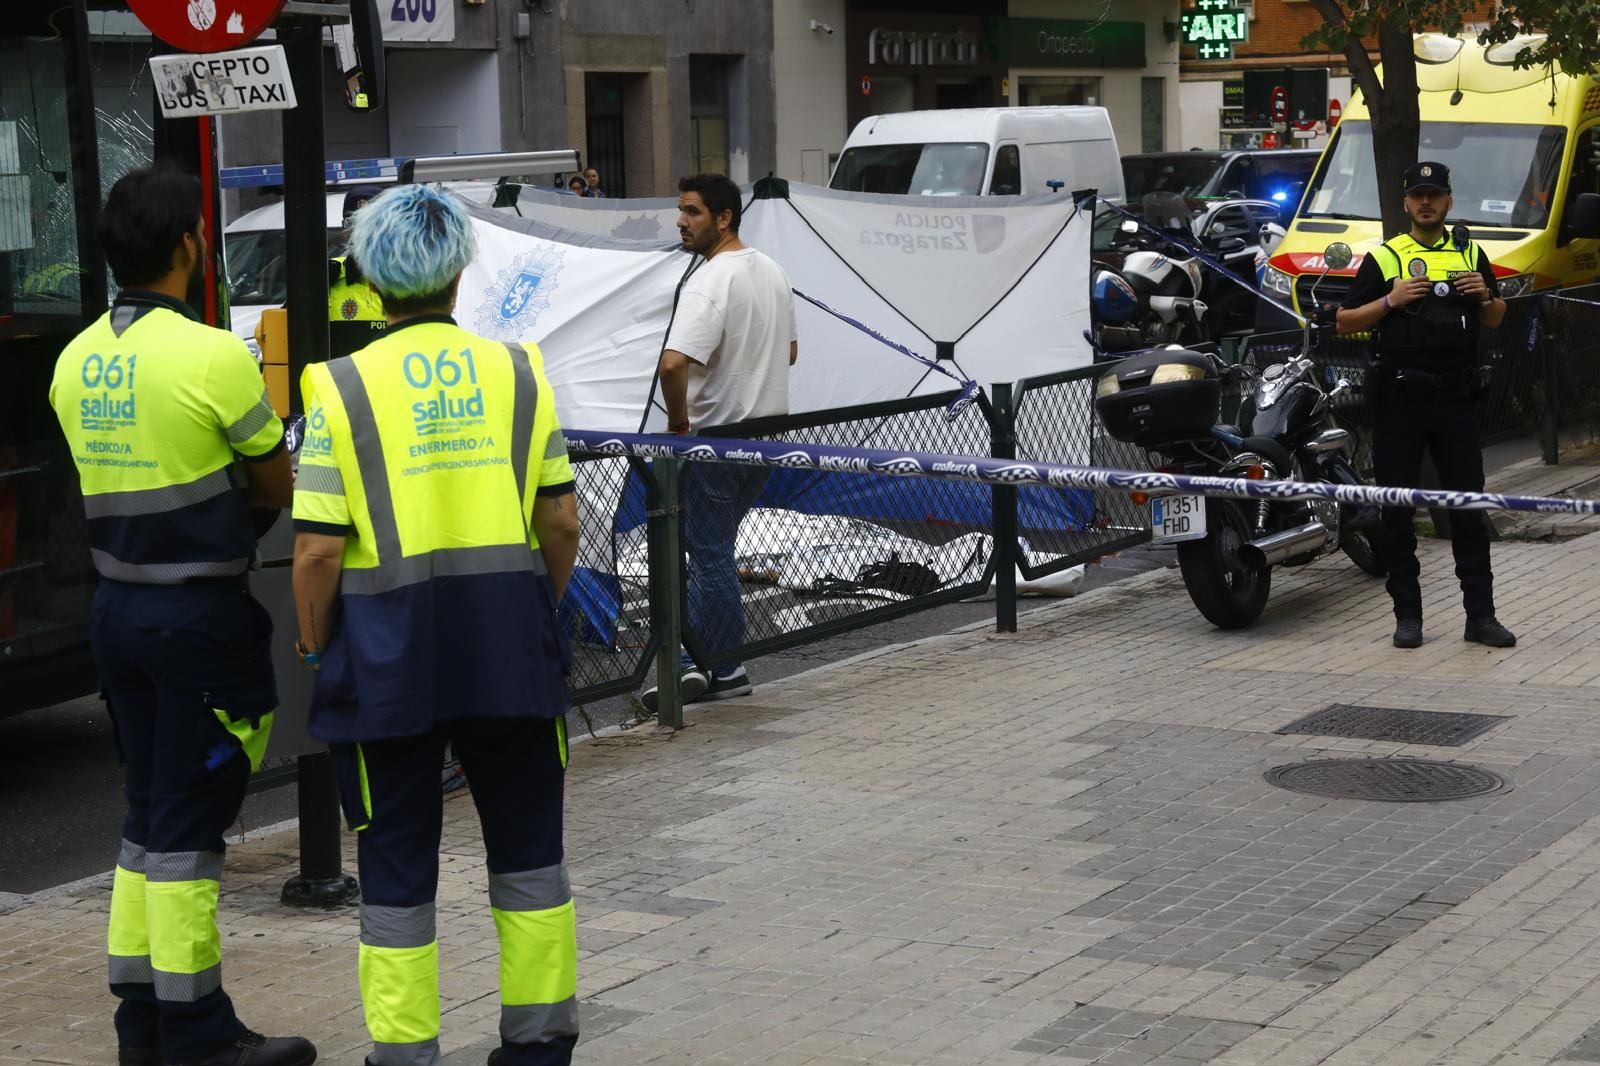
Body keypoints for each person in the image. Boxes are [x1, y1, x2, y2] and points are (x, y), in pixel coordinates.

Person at [290, 184, 582, 1066]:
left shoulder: (337, 387)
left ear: (369, 282)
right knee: (531, 863)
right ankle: (537, 1046)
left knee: (395, 871)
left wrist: (317, 645)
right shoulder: (520, 370)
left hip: (384, 664)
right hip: (511, 655)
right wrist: (539, 611)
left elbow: (315, 554)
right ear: (459, 275)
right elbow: (561, 522)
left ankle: (406, 1051)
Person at [47, 165, 309, 1066]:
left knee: (147, 815)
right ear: (190, 247)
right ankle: (199, 1034)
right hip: (197, 618)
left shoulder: (74, 360)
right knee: (191, 830)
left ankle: (142, 1022)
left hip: (116, 614)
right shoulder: (212, 355)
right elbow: (276, 478)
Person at [1336, 161, 1515, 650]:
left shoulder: (1470, 251)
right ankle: (1407, 618)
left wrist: (1484, 296)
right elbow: (1345, 322)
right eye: (1418, 195)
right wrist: (1390, 301)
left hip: (1456, 400)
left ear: (1449, 202)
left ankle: (1481, 617)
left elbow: (1497, 318)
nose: (1427, 203)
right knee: (1397, 512)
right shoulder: (1388, 257)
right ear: (1406, 204)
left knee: (1468, 510)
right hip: (1400, 402)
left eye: (1435, 195)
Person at [640, 174, 797, 713]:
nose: (680, 222)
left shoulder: (710, 280)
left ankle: (720, 666)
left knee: (705, 555)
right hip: (767, 438)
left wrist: (679, 423)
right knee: (712, 551)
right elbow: (791, 351)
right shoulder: (772, 270)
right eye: (680, 211)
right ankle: (699, 658)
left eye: (692, 212)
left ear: (723, 217)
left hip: (715, 440)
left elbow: (673, 362)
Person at [327, 186, 387, 360]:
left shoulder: (408, 280)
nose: (361, 232)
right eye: (353, 223)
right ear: (344, 229)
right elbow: (278, 331)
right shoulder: (328, 277)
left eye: (371, 223)